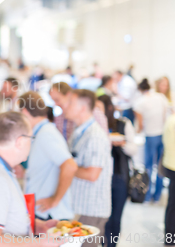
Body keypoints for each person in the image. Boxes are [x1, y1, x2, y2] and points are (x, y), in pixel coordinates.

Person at [0, 111, 62, 247]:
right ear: (20, 142)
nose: (31, 144)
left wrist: (40, 227)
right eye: (31, 139)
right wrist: (39, 243)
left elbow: (6, 217)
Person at [18, 91, 77, 221]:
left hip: (50, 215)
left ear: (25, 112)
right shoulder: (39, 133)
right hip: (40, 211)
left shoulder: (47, 133)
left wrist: (54, 200)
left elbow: (70, 166)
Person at [65, 89, 112, 247]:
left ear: (82, 108)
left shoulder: (95, 136)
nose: (66, 106)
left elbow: (92, 174)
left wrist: (67, 166)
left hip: (91, 211)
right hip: (80, 207)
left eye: (71, 103)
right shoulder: (78, 132)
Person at [97, 95, 137, 247]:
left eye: (99, 108)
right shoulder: (94, 127)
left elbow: (133, 149)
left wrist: (122, 144)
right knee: (102, 217)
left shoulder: (123, 123)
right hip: (100, 178)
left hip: (119, 176)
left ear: (108, 108)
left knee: (115, 218)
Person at [133, 78, 169, 203]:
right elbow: (165, 116)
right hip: (162, 134)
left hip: (150, 135)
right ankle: (157, 195)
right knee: (160, 167)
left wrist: (135, 132)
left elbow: (140, 125)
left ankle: (146, 195)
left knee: (148, 166)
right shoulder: (161, 97)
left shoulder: (139, 102)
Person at [161, 100, 175, 246]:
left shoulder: (172, 118)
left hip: (171, 164)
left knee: (172, 204)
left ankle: (170, 235)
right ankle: (170, 238)